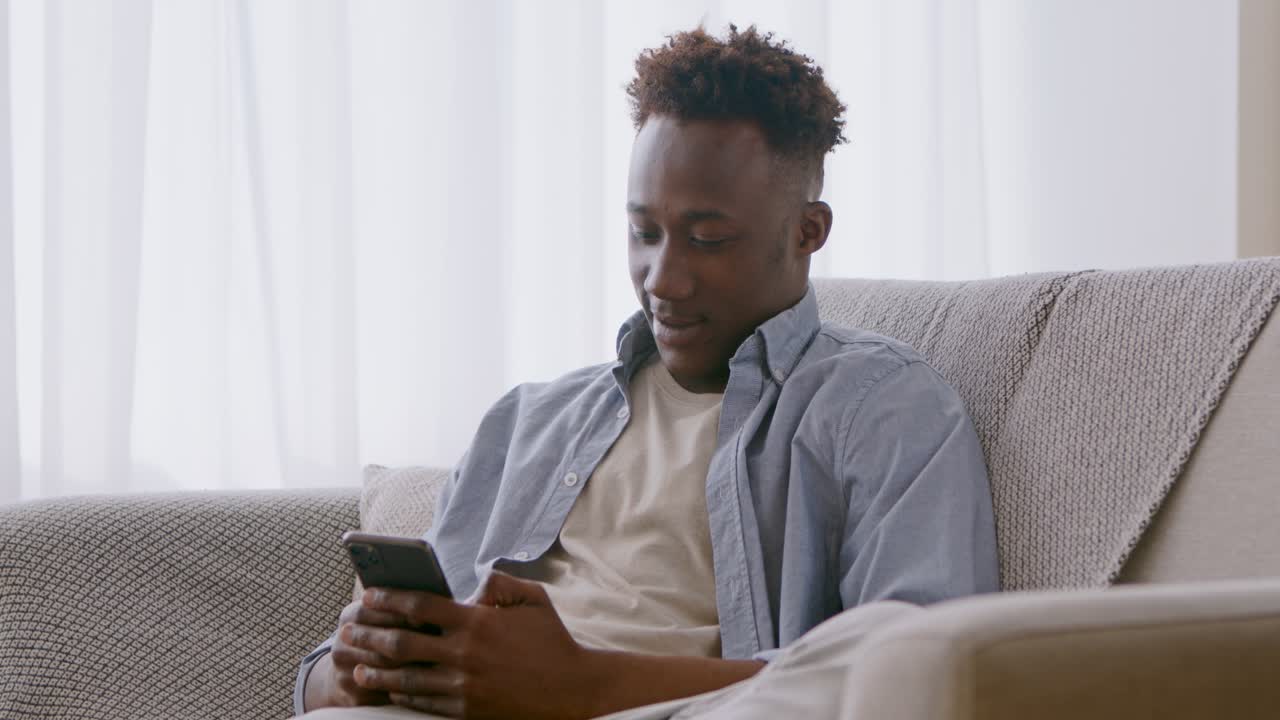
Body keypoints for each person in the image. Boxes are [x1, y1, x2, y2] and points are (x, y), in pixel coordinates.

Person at [293, 24, 997, 720]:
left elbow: (916, 666)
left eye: (707, 238)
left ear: (808, 231)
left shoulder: (882, 407)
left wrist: (578, 686)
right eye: (644, 233)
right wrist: (354, 670)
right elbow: (327, 674)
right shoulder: (530, 421)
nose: (663, 279)